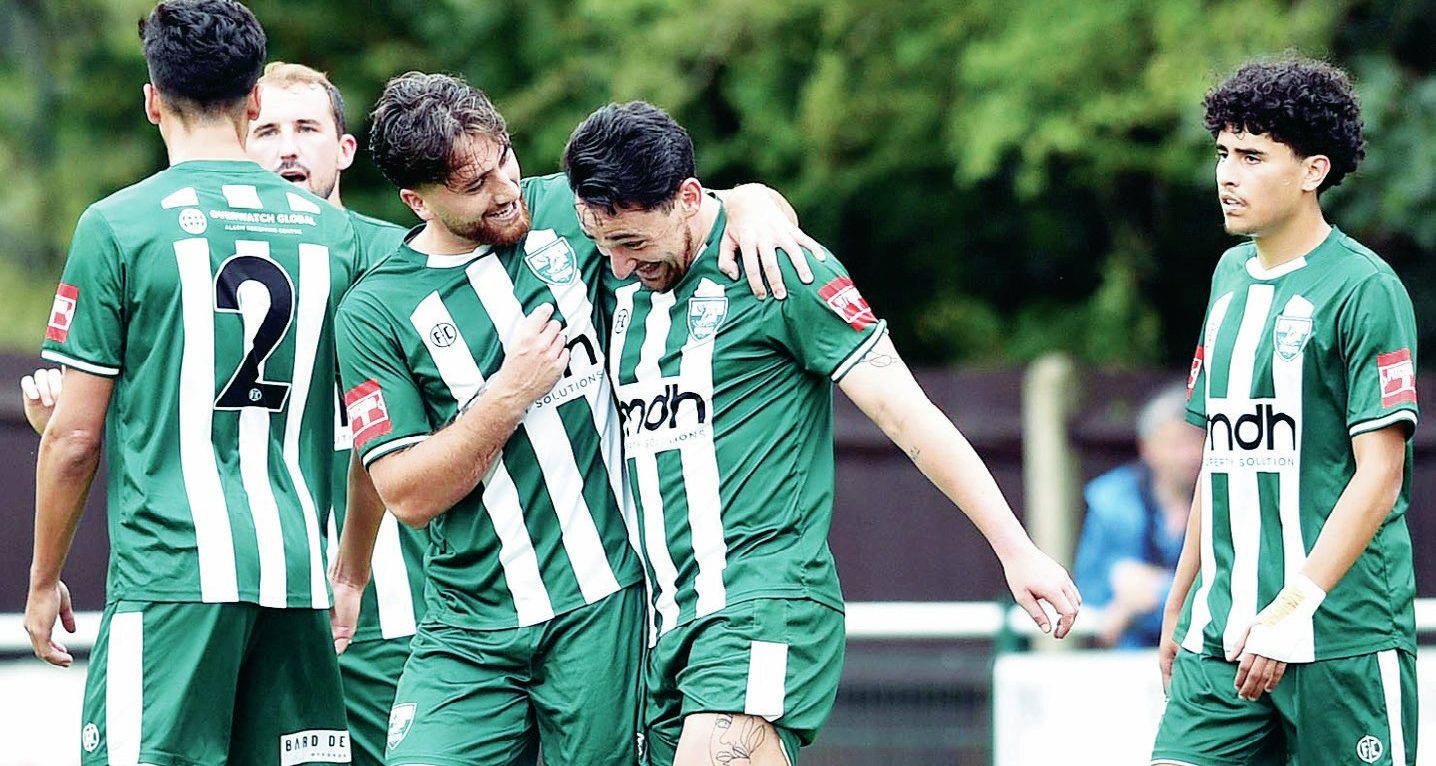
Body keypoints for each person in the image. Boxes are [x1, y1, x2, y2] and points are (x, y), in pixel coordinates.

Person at [562, 101, 1081, 766]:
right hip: (664, 628)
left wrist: (1017, 550)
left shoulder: (781, 269)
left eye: (632, 244)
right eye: (603, 245)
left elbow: (906, 414)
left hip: (762, 601)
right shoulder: (620, 274)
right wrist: (751, 195)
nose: (620, 265)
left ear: (689, 198)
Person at [335, 72, 818, 765]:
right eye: (473, 187)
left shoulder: (566, 211)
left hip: (605, 607)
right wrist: (508, 394)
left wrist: (755, 201)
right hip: (466, 629)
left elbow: (688, 207)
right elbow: (407, 494)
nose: (504, 189)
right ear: (418, 200)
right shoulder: (373, 311)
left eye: (503, 158)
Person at [24, 1, 365, 763]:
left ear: (151, 98)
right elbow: (366, 431)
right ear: (254, 103)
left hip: (173, 577)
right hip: (296, 579)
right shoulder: (336, 235)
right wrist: (352, 569)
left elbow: (74, 439)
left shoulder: (118, 225)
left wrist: (43, 579)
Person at [1153, 58, 1419, 766]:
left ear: (1311, 171)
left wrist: (1292, 607)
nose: (1226, 175)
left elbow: (1380, 477)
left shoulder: (1366, 289)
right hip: (1223, 642)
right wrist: (1181, 600)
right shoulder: (1227, 277)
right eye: (1221, 154)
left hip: (1340, 643)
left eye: (1251, 156)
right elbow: (1223, 453)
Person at [249, 60, 425, 766]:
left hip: (399, 607)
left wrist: (749, 201)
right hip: (263, 603)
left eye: (306, 128)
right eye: (266, 129)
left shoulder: (406, 255)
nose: (287, 148)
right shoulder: (205, 264)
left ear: (345, 149)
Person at [1073, 382, 1203, 648]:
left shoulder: (1229, 499)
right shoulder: (1110, 500)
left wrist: (1156, 591)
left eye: (1199, 441)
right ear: (1147, 447)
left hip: (1200, 653)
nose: (1190, 456)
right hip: (1129, 660)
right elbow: (1088, 590)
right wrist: (1121, 586)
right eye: (1178, 444)